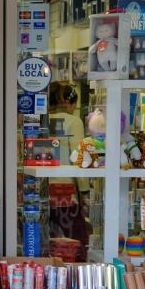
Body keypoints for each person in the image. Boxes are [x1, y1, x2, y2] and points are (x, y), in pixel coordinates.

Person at [48, 81, 90, 253]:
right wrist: (85, 190)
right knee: (77, 243)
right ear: (71, 103)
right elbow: (79, 158)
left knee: (51, 241)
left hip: (44, 190)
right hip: (67, 193)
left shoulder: (42, 119)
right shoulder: (74, 122)